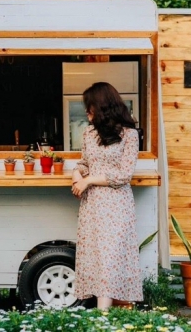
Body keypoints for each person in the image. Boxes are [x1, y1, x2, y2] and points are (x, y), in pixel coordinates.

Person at [71, 81, 142, 309]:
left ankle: (103, 315)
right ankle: (104, 312)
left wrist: (89, 179)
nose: (86, 111)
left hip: (116, 203)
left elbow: (123, 175)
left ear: (101, 106)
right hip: (93, 205)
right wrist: (76, 175)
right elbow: (84, 163)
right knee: (97, 256)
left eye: (89, 106)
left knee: (111, 256)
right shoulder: (89, 133)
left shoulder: (129, 135)